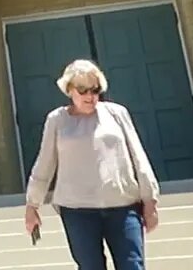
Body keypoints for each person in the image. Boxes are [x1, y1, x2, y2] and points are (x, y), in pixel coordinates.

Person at [23, 59, 160, 270]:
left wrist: (149, 201)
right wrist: (32, 205)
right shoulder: (57, 120)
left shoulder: (117, 113)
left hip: (123, 207)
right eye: (83, 90)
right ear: (69, 90)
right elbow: (45, 163)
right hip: (78, 211)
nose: (90, 96)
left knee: (133, 265)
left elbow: (138, 156)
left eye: (95, 90)